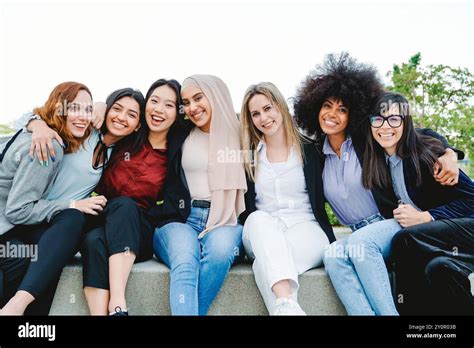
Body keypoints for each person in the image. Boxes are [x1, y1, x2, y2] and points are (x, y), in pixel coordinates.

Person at [293, 52, 462, 315]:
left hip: (389, 222)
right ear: (314, 108)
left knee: (362, 243)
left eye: (342, 109)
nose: (332, 114)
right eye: (327, 106)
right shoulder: (315, 155)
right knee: (333, 256)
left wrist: (450, 152)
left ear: (353, 114)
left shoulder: (366, 141)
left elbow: (416, 133)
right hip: (354, 232)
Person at [363, 91, 474, 315]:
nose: (385, 126)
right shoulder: (380, 162)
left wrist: (426, 216)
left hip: (467, 230)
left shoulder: (427, 155)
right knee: (438, 269)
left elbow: (472, 200)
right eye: (378, 119)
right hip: (443, 243)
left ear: (405, 123)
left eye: (394, 119)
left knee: (405, 239)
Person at [80, 79, 183, 316]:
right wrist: (98, 105)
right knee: (93, 241)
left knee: (125, 207)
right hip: (103, 218)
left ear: (177, 113)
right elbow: (104, 118)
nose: (158, 110)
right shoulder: (129, 136)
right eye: (154, 101)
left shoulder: (177, 150)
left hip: (139, 230)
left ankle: (118, 301)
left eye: (169, 105)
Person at [153, 75, 247, 315]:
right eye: (186, 102)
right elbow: (143, 117)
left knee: (220, 252)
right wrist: (39, 121)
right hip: (182, 219)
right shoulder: (180, 132)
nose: (192, 108)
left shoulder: (245, 135)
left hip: (227, 219)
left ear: (216, 95)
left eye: (198, 98)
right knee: (185, 261)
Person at [239, 82, 335, 315]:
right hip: (261, 231)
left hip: (308, 229)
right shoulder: (248, 156)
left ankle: (285, 306)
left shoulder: (312, 150)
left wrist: (441, 147)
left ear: (280, 107)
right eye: (255, 114)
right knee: (259, 219)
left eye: (268, 108)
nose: (264, 117)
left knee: (267, 264)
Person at [0, 82, 93, 315]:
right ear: (57, 109)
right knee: (67, 224)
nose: (83, 116)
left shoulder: (39, 132)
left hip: (9, 229)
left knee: (46, 249)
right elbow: (17, 211)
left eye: (88, 110)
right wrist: (72, 204)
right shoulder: (48, 145)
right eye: (74, 109)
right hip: (5, 226)